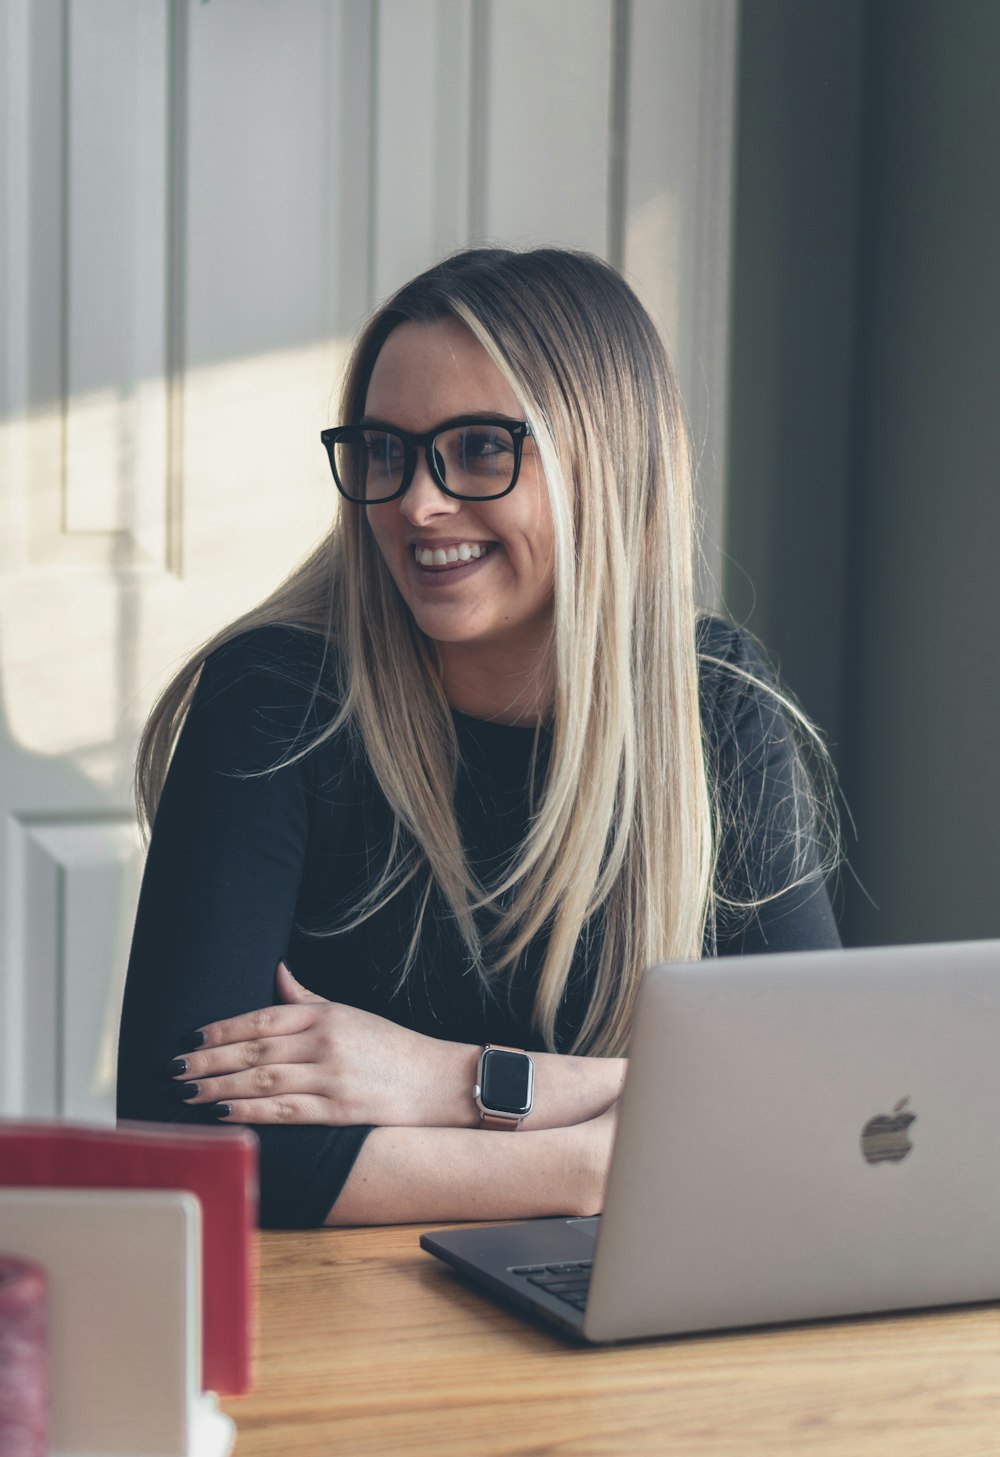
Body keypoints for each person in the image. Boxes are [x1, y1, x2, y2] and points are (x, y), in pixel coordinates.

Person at [116, 246, 840, 1229]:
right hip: (347, 1328)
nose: (416, 502)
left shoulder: (714, 703)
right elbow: (183, 1140)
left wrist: (445, 1080)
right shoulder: (273, 699)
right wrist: (592, 1162)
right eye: (383, 450)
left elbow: (810, 1104)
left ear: (604, 456)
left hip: (632, 1312)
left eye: (479, 447)